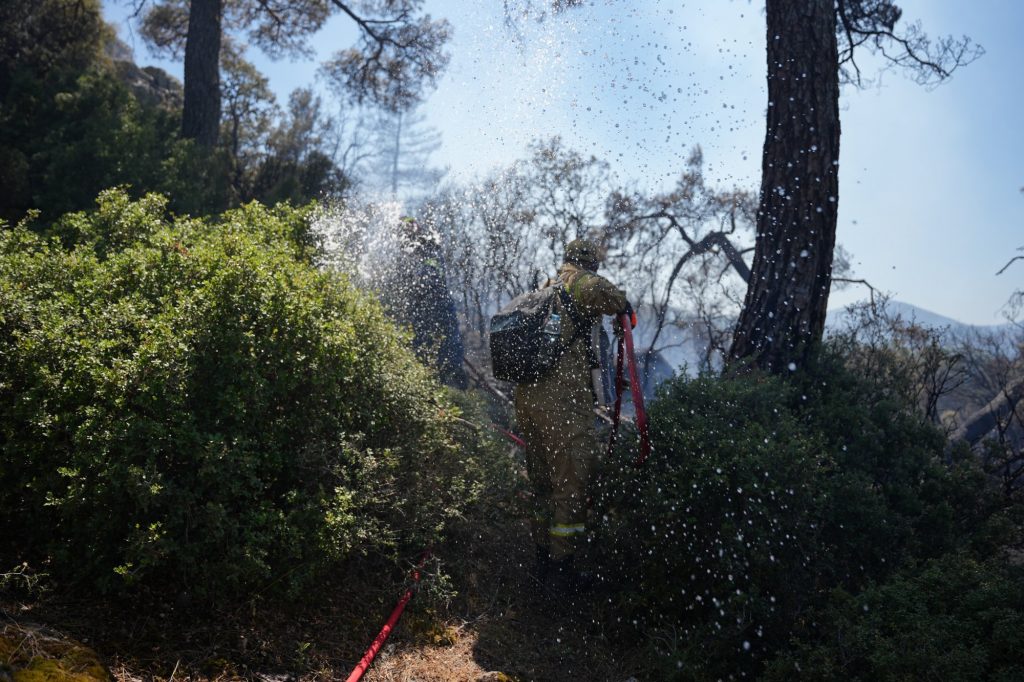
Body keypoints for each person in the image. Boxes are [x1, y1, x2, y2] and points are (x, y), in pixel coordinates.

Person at [513, 238, 632, 593]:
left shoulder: (548, 287)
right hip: (562, 403)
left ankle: (540, 561)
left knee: (542, 483)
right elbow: (610, 295)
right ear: (591, 263)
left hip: (529, 397)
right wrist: (624, 304)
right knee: (572, 486)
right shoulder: (580, 282)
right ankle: (561, 574)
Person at [396, 216, 468, 389]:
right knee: (423, 341)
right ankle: (429, 381)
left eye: (411, 226)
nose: (410, 230)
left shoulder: (427, 244)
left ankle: (452, 378)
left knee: (449, 339)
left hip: (438, 298)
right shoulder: (404, 251)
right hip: (421, 302)